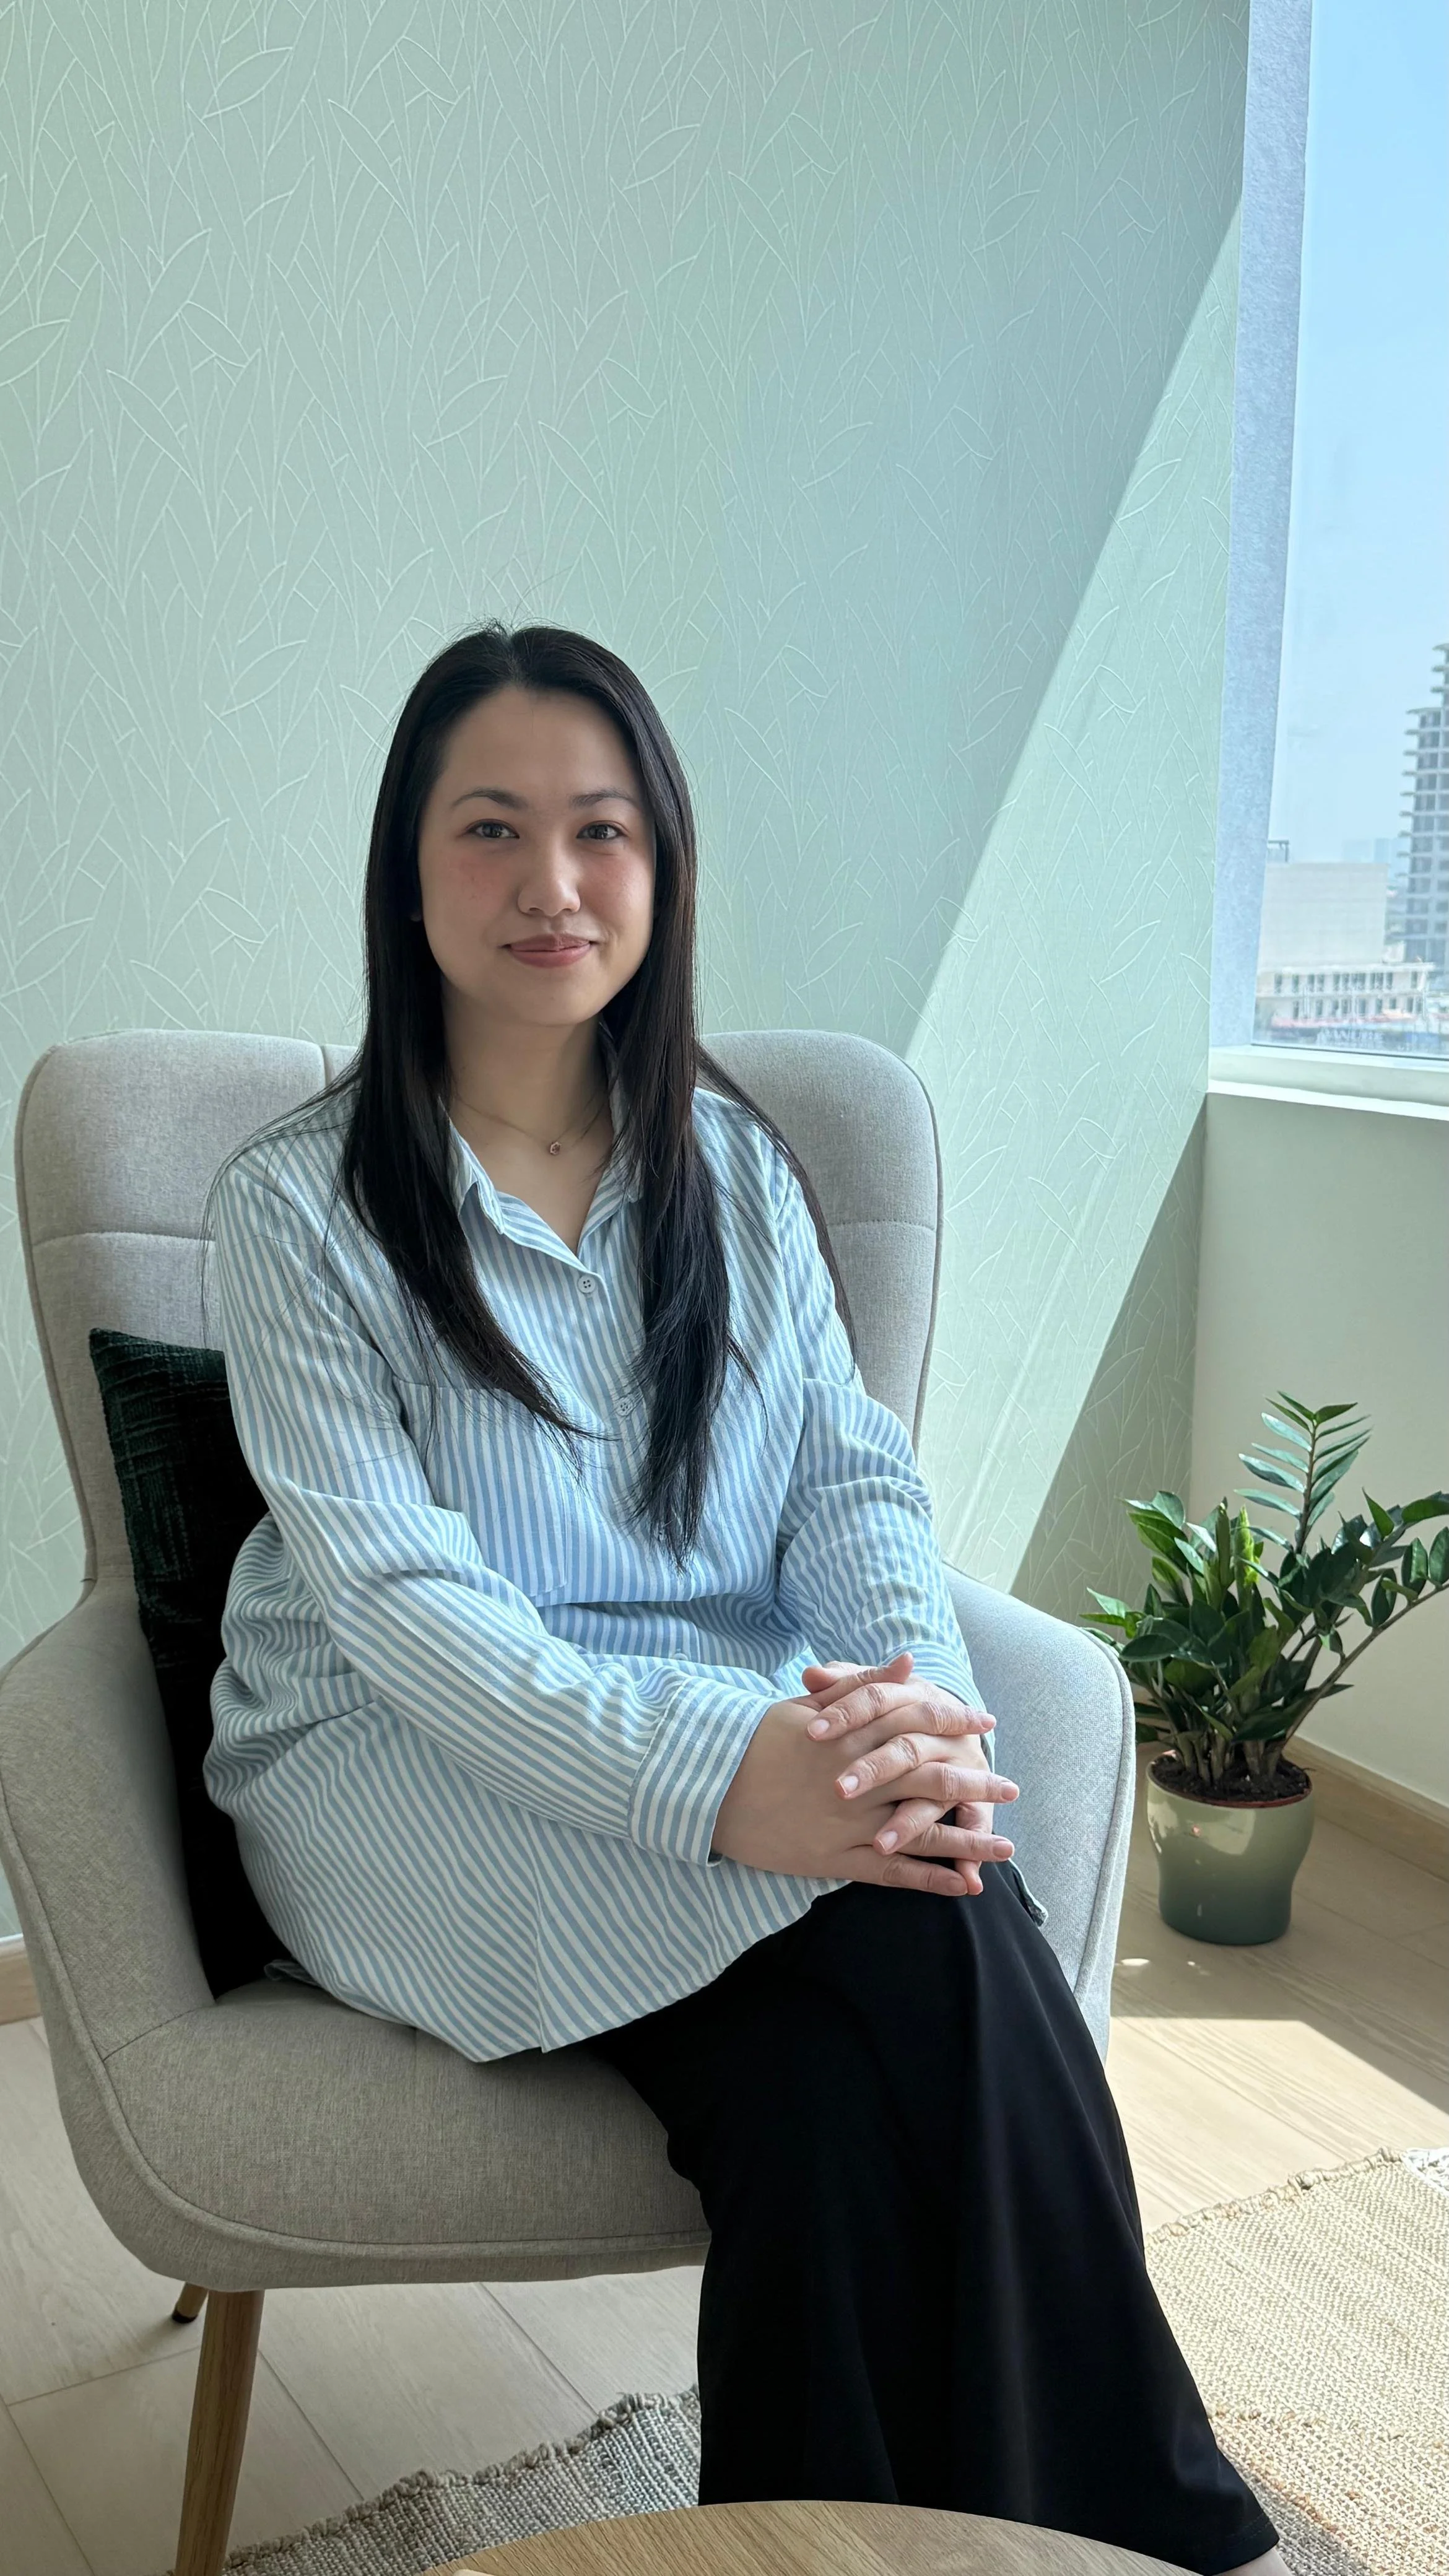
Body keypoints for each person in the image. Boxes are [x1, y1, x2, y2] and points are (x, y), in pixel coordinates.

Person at [202, 623, 1286, 2575]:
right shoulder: (296, 1204)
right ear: (407, 868)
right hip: (394, 1757)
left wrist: (914, 1725)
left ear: (662, 864)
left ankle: (835, 2549)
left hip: (731, 1721)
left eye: (601, 831)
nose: (552, 884)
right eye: (493, 828)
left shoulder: (732, 1165)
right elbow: (394, 1596)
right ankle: (1165, 2534)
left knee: (817, 2085)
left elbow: (849, 1482)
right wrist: (732, 1779)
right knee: (931, 1931)